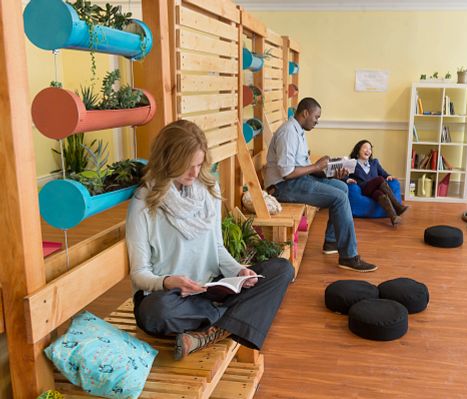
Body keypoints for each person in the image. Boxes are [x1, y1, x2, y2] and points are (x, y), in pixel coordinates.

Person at [126, 120, 294, 361]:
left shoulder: (208, 189)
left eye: (198, 164)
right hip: (172, 297)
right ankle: (230, 322)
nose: (194, 173)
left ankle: (209, 332)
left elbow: (216, 247)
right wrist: (169, 282)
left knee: (281, 269)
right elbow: (139, 273)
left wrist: (238, 270)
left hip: (210, 289)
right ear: (167, 160)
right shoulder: (144, 202)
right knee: (155, 313)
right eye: (186, 166)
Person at [264, 97, 378, 273]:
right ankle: (348, 256)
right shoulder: (288, 133)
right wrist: (317, 166)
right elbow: (287, 173)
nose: (317, 121)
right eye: (316, 117)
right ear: (305, 113)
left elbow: (303, 167)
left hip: (297, 181)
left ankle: (331, 242)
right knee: (339, 198)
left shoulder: (299, 132)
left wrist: (330, 170)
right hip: (282, 187)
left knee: (343, 188)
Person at [346, 139, 409, 226]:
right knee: (379, 179)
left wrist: (388, 176)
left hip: (374, 190)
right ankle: (397, 206)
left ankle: (393, 217)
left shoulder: (374, 162)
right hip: (364, 189)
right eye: (365, 148)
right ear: (358, 150)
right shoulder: (352, 163)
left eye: (370, 149)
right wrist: (347, 179)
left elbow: (383, 173)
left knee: (379, 193)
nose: (368, 151)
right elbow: (344, 174)